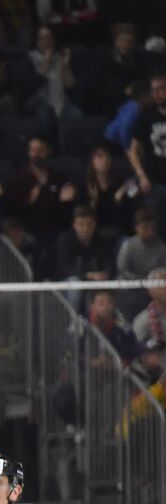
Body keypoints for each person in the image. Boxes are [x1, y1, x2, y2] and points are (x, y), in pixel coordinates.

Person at [9, 136, 77, 246]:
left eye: (40, 150)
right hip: (28, 230)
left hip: (54, 230)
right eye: (33, 150)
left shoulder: (59, 178)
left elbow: (65, 217)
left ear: (47, 152)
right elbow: (14, 211)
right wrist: (30, 200)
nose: (36, 154)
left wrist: (65, 203)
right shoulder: (19, 178)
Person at [128, 74, 166, 231]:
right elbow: (133, 150)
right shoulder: (147, 115)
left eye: (160, 89)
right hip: (154, 183)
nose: (156, 94)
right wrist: (141, 175)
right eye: (153, 90)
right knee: (156, 228)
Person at [48, 205, 114, 283]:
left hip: (96, 281)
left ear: (95, 225)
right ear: (74, 225)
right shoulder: (65, 241)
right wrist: (87, 275)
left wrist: (105, 274)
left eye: (89, 224)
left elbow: (109, 265)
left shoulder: (102, 241)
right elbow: (66, 269)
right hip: (68, 283)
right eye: (81, 224)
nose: (85, 229)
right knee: (75, 281)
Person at [118, 206, 166, 281]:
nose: (150, 232)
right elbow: (122, 270)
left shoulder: (162, 247)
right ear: (137, 227)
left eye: (152, 228)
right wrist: (141, 279)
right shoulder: (128, 245)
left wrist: (159, 275)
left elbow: (164, 269)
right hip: (131, 284)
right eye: (145, 227)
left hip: (154, 285)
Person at [132, 268, 166, 345]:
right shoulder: (142, 322)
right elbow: (143, 354)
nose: (165, 288)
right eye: (160, 285)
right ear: (151, 291)